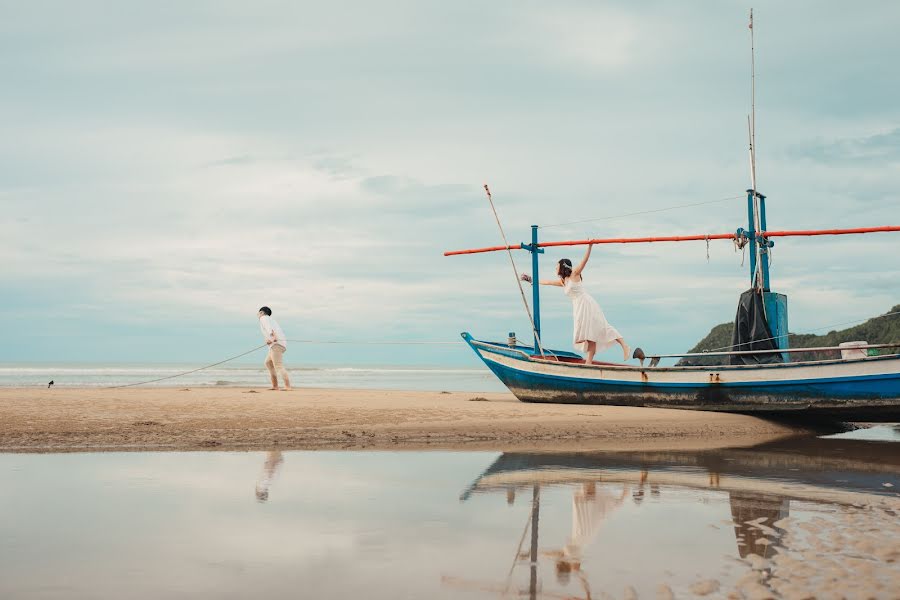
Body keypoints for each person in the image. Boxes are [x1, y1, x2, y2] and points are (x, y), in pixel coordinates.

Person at [523, 244, 630, 364]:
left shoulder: (575, 273)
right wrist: (531, 280)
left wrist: (590, 246)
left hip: (586, 304)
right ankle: (588, 363)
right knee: (590, 335)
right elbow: (547, 282)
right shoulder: (564, 281)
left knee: (600, 328)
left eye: (557, 266)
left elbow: (585, 260)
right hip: (578, 307)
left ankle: (625, 346)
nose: (555, 269)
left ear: (562, 267)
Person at [258, 306, 292, 390]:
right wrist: (270, 339)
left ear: (262, 312)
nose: (258, 314)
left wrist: (272, 338)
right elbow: (270, 330)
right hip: (277, 344)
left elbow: (270, 329)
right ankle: (275, 385)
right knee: (268, 363)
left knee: (278, 365)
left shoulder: (264, 318)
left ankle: (288, 386)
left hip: (276, 344)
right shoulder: (269, 319)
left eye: (259, 312)